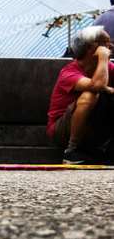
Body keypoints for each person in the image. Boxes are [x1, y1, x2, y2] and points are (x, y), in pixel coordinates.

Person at [46, 26, 114, 164]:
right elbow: (97, 85)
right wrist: (103, 58)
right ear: (90, 48)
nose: (111, 47)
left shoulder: (108, 68)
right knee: (91, 93)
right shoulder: (69, 72)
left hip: (93, 129)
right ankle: (71, 151)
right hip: (62, 131)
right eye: (106, 43)